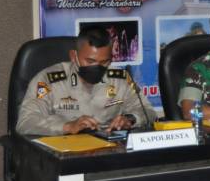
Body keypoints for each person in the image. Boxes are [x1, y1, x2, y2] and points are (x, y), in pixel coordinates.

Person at [16, 27, 156, 135]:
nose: (97, 67)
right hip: (64, 152)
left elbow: (148, 112)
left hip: (108, 152)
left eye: (104, 62)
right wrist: (67, 126)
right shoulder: (48, 80)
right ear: (74, 56)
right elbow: (26, 121)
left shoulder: (120, 79)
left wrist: (130, 119)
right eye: (90, 61)